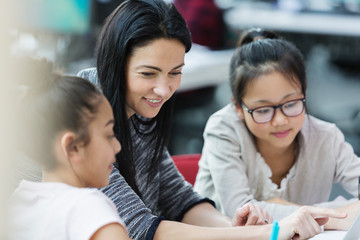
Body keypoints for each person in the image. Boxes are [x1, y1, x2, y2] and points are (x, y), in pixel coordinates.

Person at [78, 2, 347, 239]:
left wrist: (232, 228)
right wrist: (269, 233)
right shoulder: (80, 116)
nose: (164, 90)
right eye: (148, 74)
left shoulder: (138, 110)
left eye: (175, 72)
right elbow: (137, 227)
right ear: (114, 63)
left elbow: (178, 199)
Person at [194, 28, 360, 230]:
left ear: (304, 91)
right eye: (263, 110)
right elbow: (240, 212)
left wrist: (284, 209)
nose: (280, 120)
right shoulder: (224, 129)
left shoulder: (326, 136)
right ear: (238, 107)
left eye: (290, 104)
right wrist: (336, 215)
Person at [7, 58, 130, 240]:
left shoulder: (18, 203)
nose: (117, 146)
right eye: (109, 135)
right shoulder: (90, 211)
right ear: (72, 147)